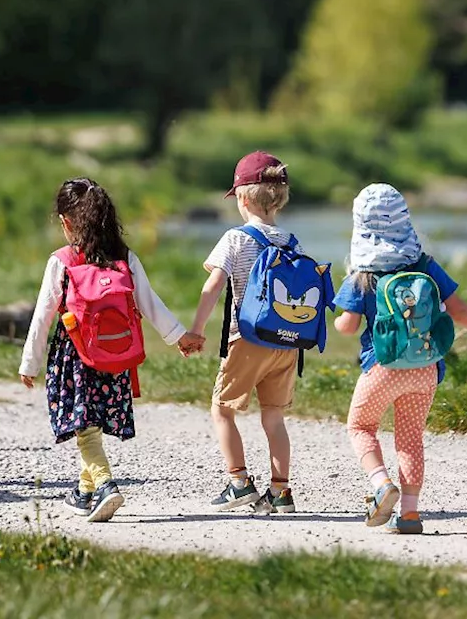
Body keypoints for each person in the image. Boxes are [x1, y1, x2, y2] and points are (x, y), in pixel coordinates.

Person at [19, 178, 202, 522]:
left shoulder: (62, 261)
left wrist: (30, 362)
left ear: (66, 222)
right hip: (116, 358)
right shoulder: (125, 258)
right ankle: (84, 492)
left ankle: (105, 486)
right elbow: (150, 303)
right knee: (91, 425)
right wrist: (180, 336)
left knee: (83, 426)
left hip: (76, 356)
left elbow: (43, 315)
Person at [333, 183, 467, 535]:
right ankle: (410, 515)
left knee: (361, 427)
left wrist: (336, 319)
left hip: (382, 366)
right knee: (410, 439)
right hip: (425, 367)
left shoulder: (362, 274)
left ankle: (382, 485)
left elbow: (348, 327)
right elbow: (457, 309)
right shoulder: (424, 264)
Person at [189, 151, 303, 514]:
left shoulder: (235, 239)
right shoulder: (291, 242)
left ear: (241, 197)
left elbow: (212, 287)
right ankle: (280, 493)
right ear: (279, 199)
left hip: (247, 339)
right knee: (273, 416)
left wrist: (196, 329)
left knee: (222, 410)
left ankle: (238, 482)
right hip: (288, 343)